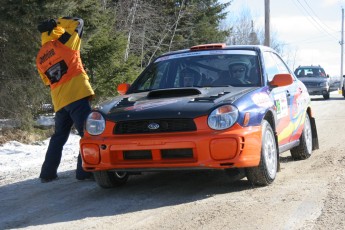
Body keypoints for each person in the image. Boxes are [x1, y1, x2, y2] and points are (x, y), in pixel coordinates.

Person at [36, 17, 95, 183]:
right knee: (88, 133)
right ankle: (84, 172)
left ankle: (47, 174)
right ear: (58, 31)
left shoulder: (40, 57)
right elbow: (79, 22)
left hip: (60, 101)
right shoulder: (64, 43)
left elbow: (47, 81)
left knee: (59, 137)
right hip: (77, 95)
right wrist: (57, 21)